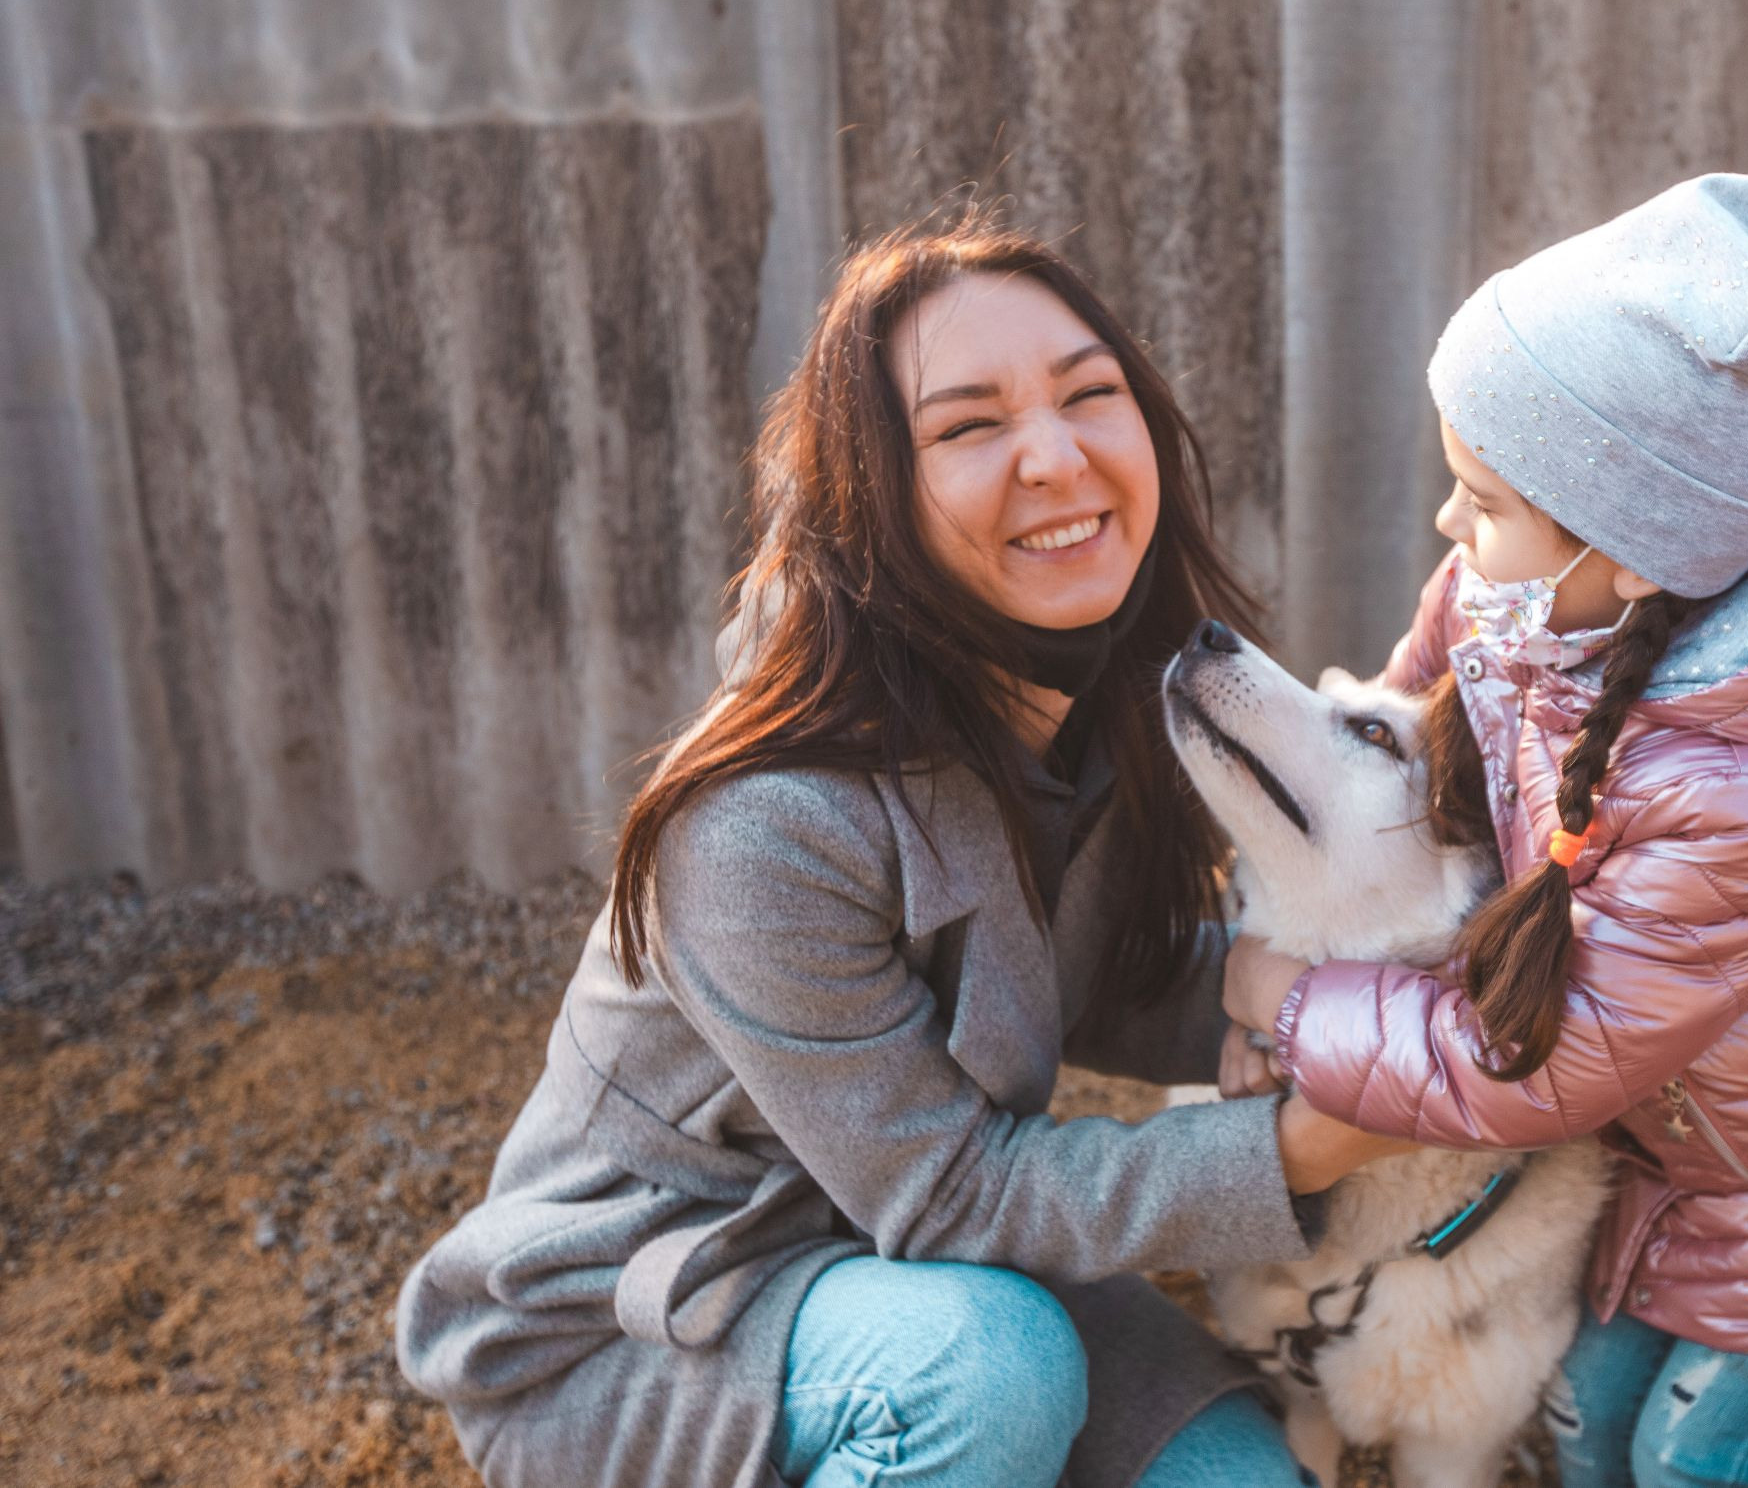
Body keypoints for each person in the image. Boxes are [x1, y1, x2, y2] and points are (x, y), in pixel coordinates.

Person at [394, 215, 1405, 1488]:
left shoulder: (1092, 690)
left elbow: (1064, 974)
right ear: (872, 496)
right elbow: (948, 1192)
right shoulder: (765, 819)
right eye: (969, 425)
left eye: (1090, 393)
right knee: (986, 1377)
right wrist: (1302, 1147)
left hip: (924, 1274)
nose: (1056, 454)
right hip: (652, 1314)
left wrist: (1264, 992)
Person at [1223, 167, 1748, 1488]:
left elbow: (1540, 1070)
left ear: (1633, 551)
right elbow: (1413, 710)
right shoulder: (1524, 594)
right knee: (1584, 1417)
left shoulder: (1740, 796)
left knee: (1686, 1456)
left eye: (1482, 499)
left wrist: (1286, 998)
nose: (1447, 522)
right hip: (1701, 1146)